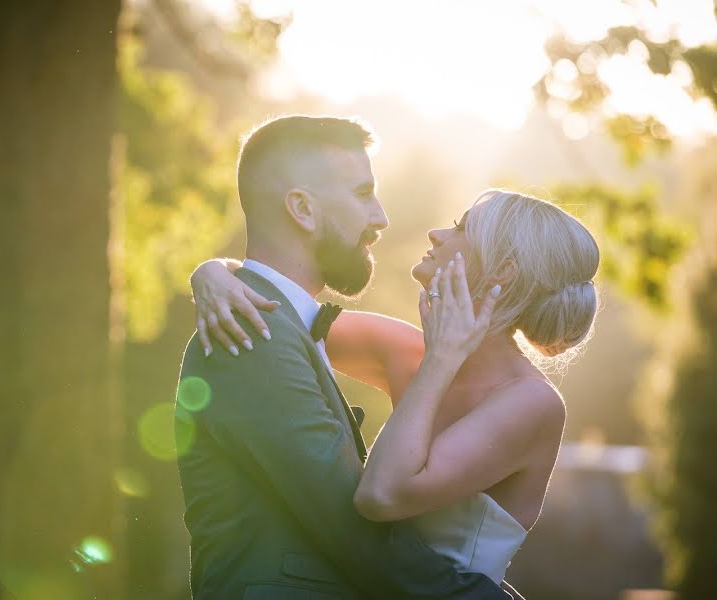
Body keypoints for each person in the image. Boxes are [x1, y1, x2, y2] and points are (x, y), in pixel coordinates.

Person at [191, 188, 600, 588]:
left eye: (461, 228)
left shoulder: (533, 404)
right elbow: (280, 311)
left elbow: (380, 496)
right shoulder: (402, 348)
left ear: (504, 270)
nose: (437, 234)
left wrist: (440, 360)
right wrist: (212, 273)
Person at [176, 115, 513, 599]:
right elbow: (351, 528)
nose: (380, 217)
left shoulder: (273, 320)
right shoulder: (254, 330)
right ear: (303, 210)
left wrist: (213, 268)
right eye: (362, 194)